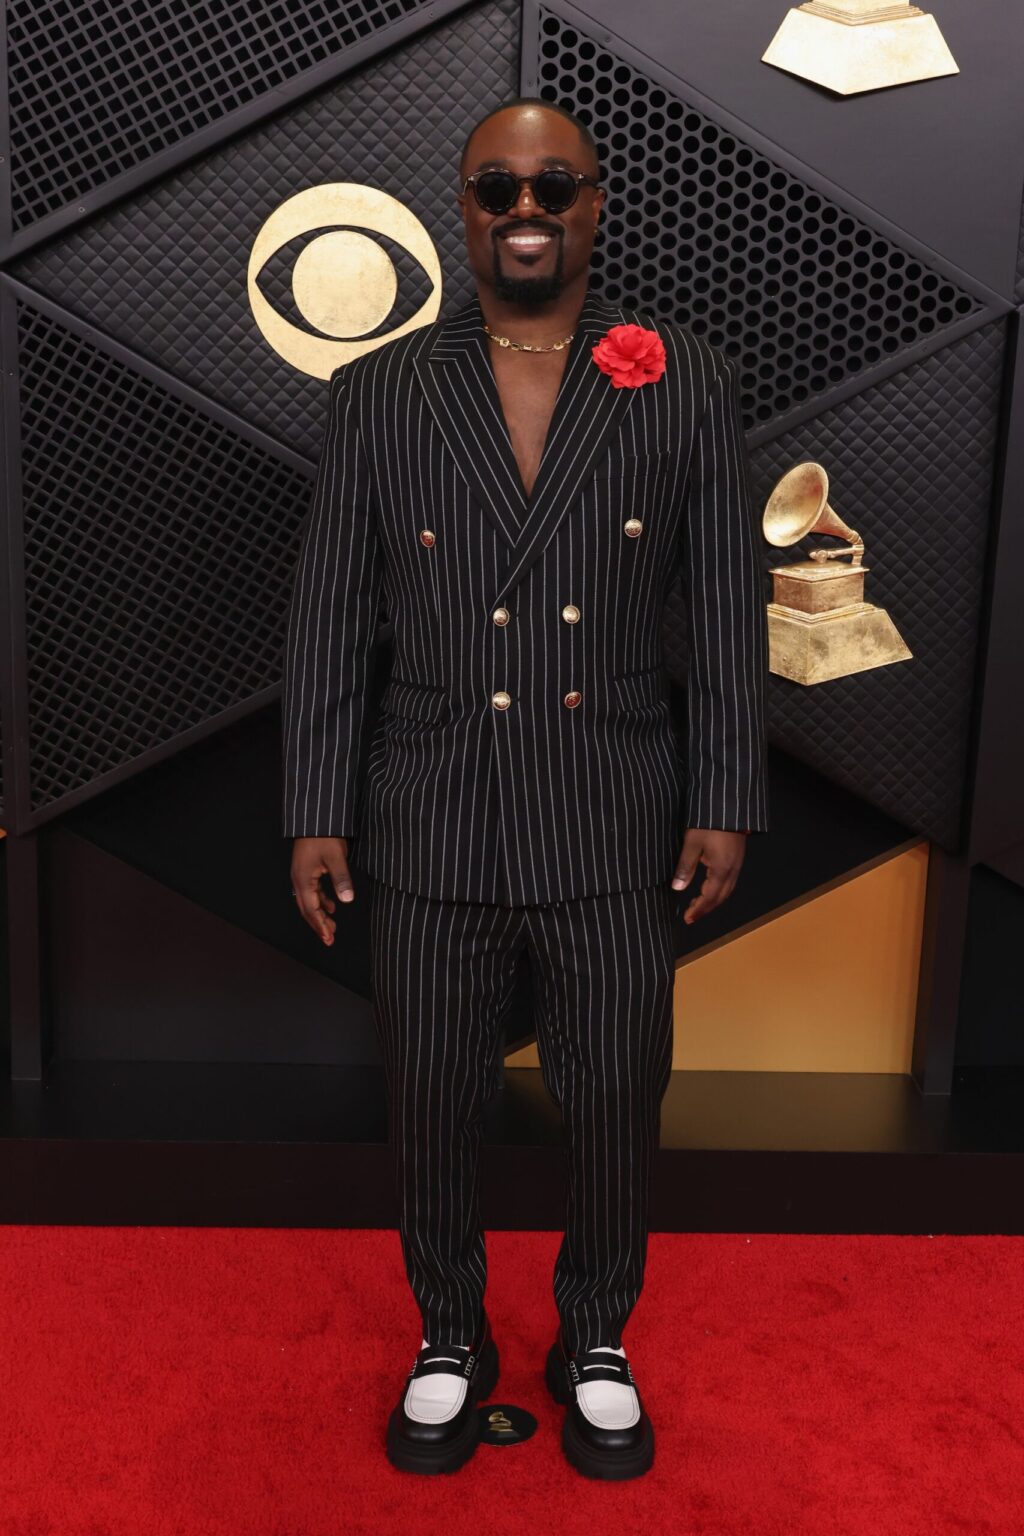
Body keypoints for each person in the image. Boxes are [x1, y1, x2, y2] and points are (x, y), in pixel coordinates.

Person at [282, 96, 769, 1480]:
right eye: (497, 187)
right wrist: (318, 807)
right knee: (431, 1099)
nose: (525, 208)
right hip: (430, 811)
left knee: (616, 1098)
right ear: (465, 206)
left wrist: (723, 791)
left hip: (613, 811)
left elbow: (728, 614)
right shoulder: (379, 392)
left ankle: (596, 1337)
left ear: (600, 200)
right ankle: (450, 1335)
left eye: (554, 182)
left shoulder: (680, 380)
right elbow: (330, 620)